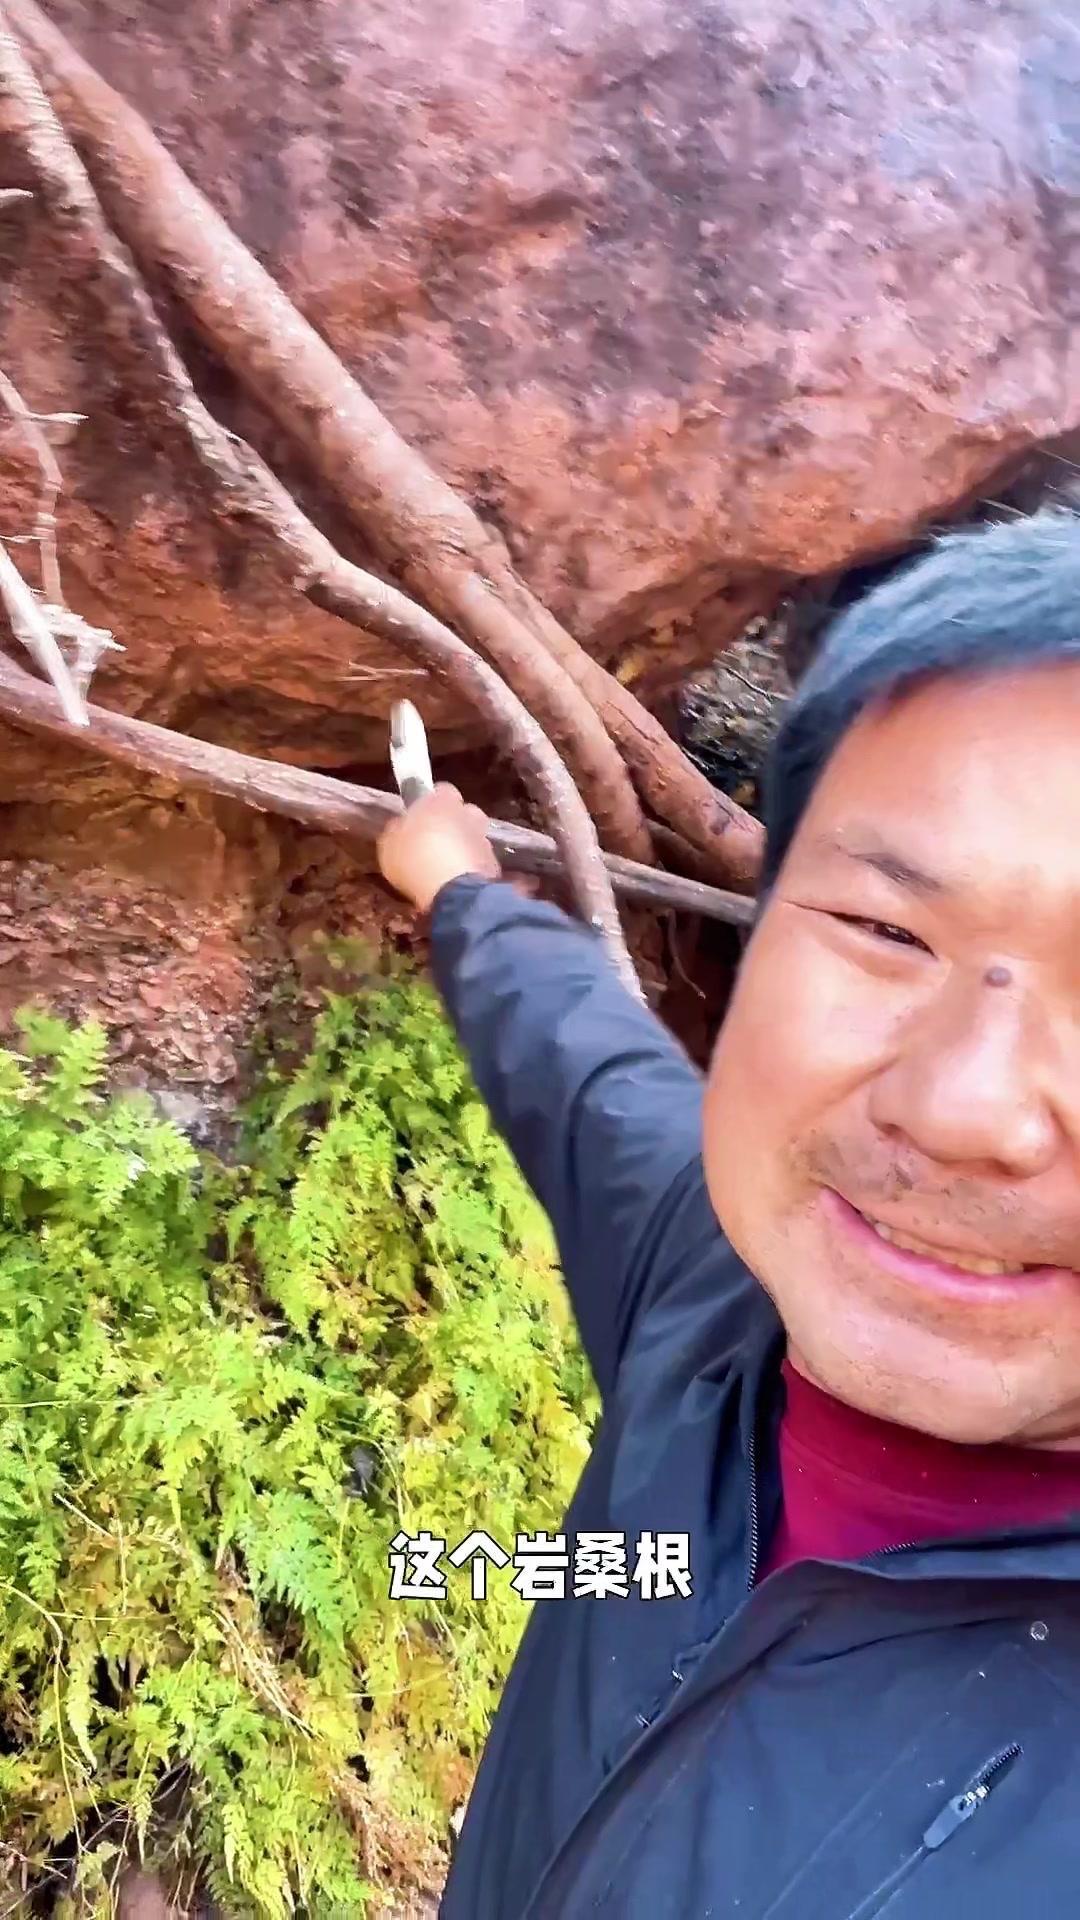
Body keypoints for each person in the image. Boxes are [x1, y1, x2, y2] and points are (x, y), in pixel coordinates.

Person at [377, 509, 1080, 1920]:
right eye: (886, 931)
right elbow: (586, 1068)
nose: (963, 1107)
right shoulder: (712, 1289)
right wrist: (458, 890)